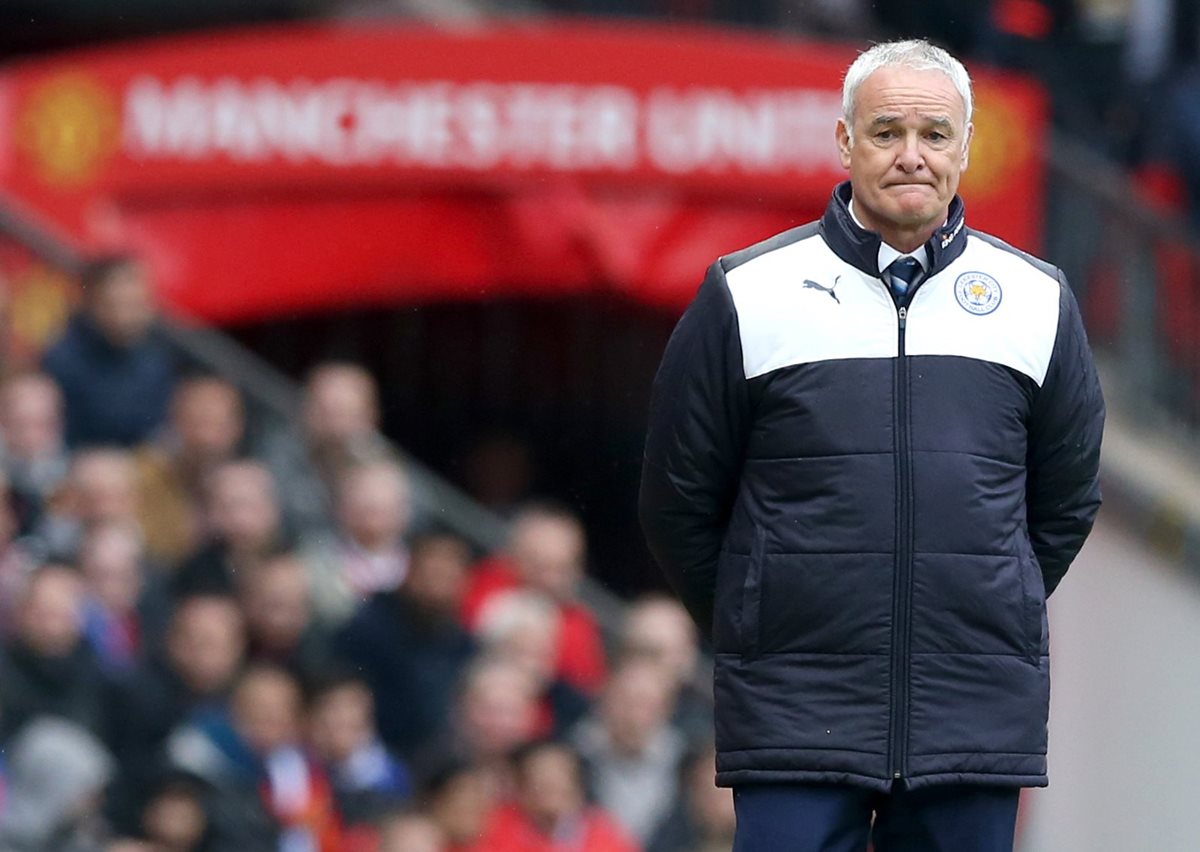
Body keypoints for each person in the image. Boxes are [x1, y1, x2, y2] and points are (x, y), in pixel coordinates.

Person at [638, 38, 1105, 852]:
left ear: (966, 146)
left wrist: (983, 596)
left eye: (935, 135)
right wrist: (760, 615)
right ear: (845, 141)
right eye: (887, 132)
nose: (912, 157)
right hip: (796, 709)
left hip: (970, 713)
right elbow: (677, 499)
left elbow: (1064, 504)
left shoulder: (1039, 301)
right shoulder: (747, 293)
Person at [41, 255, 175, 448]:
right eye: (115, 304)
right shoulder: (61, 359)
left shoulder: (159, 356)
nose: (126, 318)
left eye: (136, 304)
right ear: (91, 304)